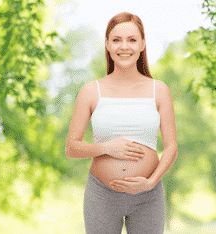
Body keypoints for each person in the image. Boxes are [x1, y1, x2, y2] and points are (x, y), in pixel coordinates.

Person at [65, 11, 178, 234]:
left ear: (142, 44)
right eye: (116, 40)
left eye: (132, 40)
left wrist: (151, 182)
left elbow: (171, 147)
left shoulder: (160, 90)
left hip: (148, 196)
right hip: (102, 195)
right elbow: (71, 147)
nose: (124, 46)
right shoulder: (91, 91)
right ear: (107, 44)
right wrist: (107, 148)